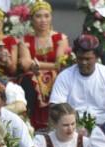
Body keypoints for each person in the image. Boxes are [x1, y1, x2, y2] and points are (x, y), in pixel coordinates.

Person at [49, 34, 105, 125]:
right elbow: (55, 106)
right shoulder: (64, 76)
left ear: (97, 58)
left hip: (104, 126)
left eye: (88, 59)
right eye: (80, 58)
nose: (83, 62)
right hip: (73, 127)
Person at [18, 0, 68, 129]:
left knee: (58, 78)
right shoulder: (25, 40)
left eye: (46, 16)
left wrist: (38, 65)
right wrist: (49, 66)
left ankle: (58, 121)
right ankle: (27, 122)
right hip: (33, 77)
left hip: (55, 76)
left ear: (51, 18)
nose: (43, 20)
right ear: (32, 19)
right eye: (38, 16)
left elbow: (59, 63)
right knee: (29, 79)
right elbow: (25, 63)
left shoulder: (60, 38)